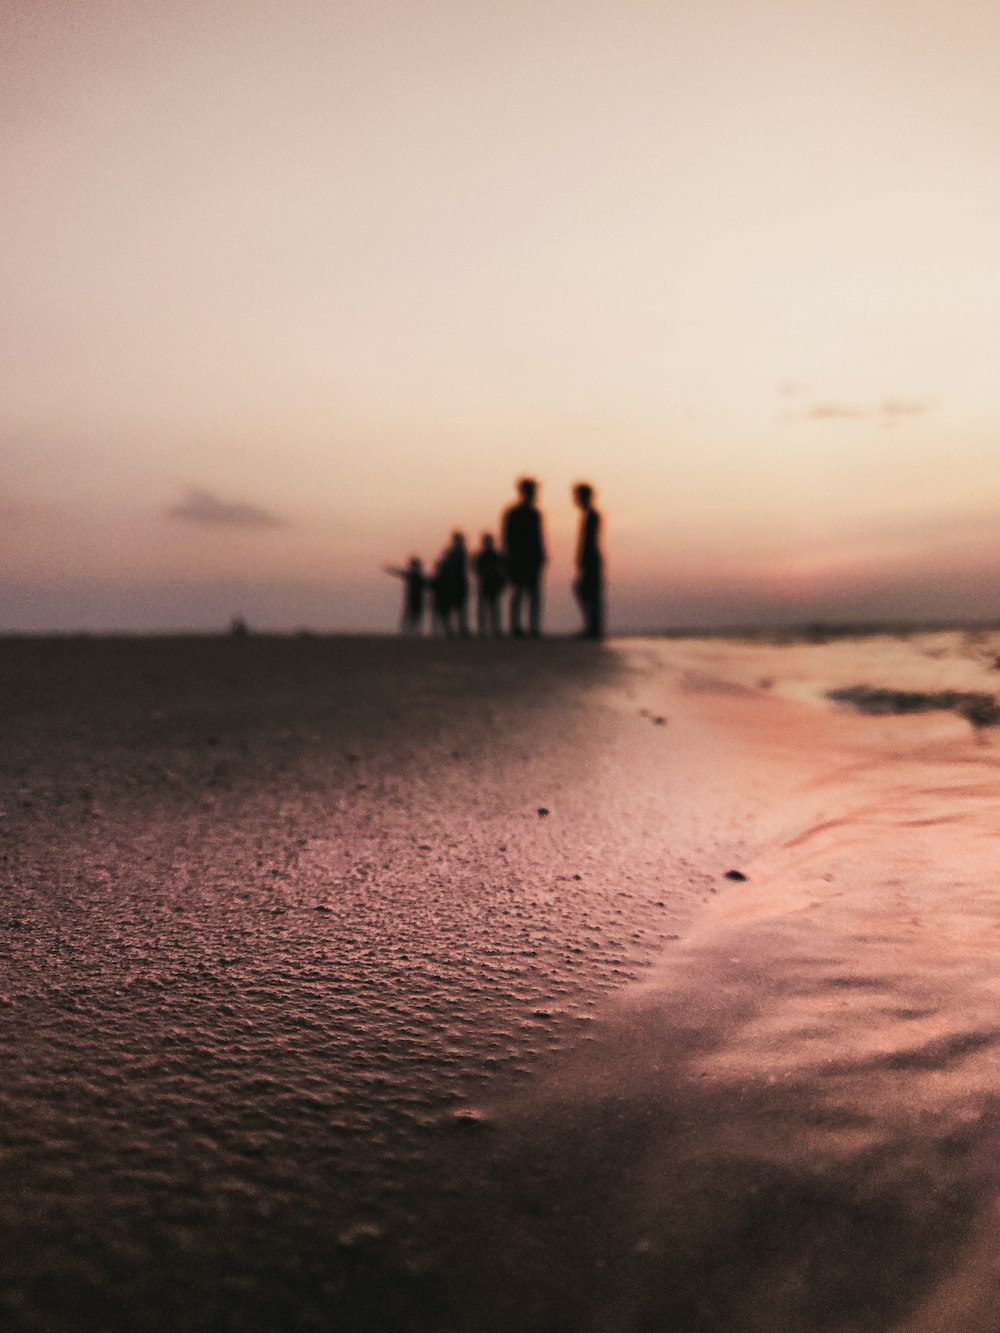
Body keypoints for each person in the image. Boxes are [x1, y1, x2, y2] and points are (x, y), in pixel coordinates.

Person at [501, 477, 546, 638]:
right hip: (520, 559)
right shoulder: (516, 513)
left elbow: (539, 538)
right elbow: (507, 538)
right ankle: (518, 626)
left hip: (530, 559)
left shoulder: (533, 514)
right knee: (521, 592)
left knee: (531, 593)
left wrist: (541, 556)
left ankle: (530, 627)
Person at [572, 482, 604, 639]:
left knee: (589, 593)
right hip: (590, 559)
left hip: (591, 559)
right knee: (588, 592)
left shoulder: (592, 516)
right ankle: (592, 627)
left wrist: (583, 558)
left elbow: (589, 541)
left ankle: (593, 627)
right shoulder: (589, 516)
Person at [434, 532, 470, 638]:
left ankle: (458, 629)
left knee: (458, 607)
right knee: (453, 607)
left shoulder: (458, 552)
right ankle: (453, 629)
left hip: (457, 582)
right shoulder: (456, 552)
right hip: (452, 583)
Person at [473, 533, 506, 638]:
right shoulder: (483, 556)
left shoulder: (495, 555)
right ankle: (484, 629)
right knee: (485, 608)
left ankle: (494, 629)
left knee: (493, 608)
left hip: (492, 585)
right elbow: (476, 569)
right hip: (485, 584)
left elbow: (502, 570)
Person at [383, 557, 427, 635]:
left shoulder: (415, 576)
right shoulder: (418, 576)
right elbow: (400, 572)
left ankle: (410, 632)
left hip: (415, 599)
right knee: (413, 616)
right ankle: (410, 632)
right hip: (415, 599)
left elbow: (400, 572)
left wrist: (390, 569)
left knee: (412, 616)